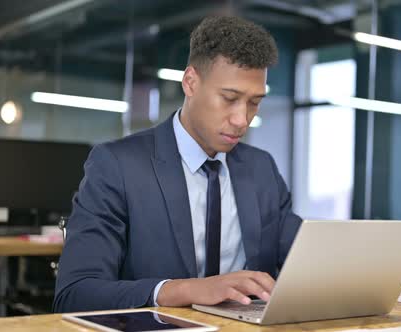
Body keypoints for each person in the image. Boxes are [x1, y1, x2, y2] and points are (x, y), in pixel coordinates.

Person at [54, 15, 302, 313]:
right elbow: (75, 293)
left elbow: (306, 266)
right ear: (191, 82)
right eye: (229, 98)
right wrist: (189, 289)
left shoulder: (262, 169)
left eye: (254, 102)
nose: (242, 119)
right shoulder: (117, 165)